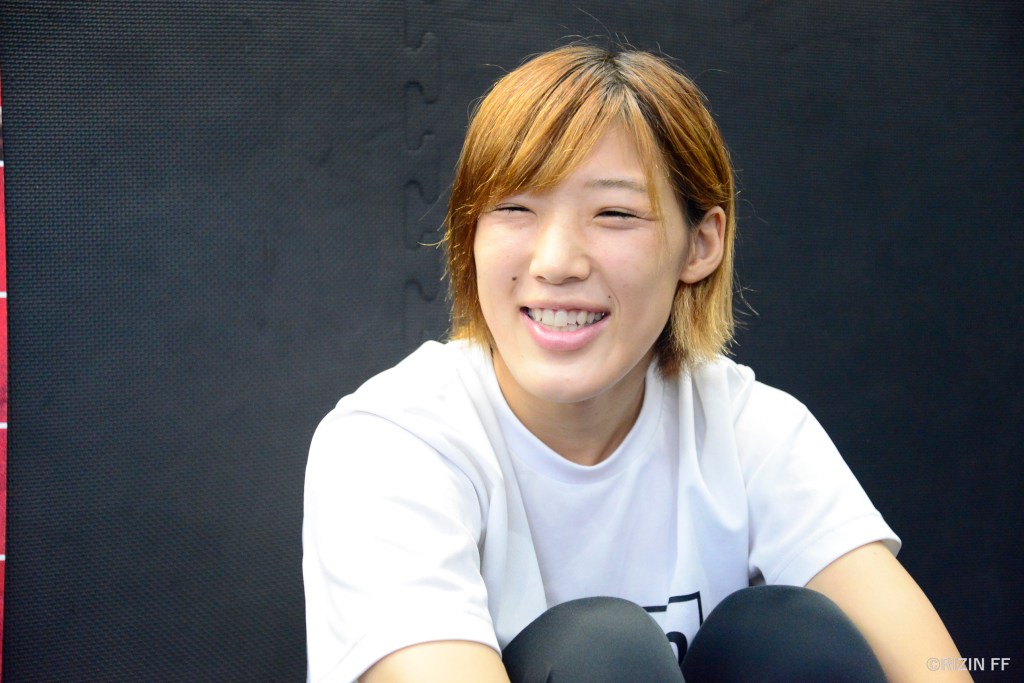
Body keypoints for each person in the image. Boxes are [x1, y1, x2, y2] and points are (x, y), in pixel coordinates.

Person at [303, 45, 967, 682]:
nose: (556, 261)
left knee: (789, 639)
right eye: (514, 208)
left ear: (700, 244)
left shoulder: (745, 430)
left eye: (614, 213)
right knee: (602, 655)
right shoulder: (390, 444)